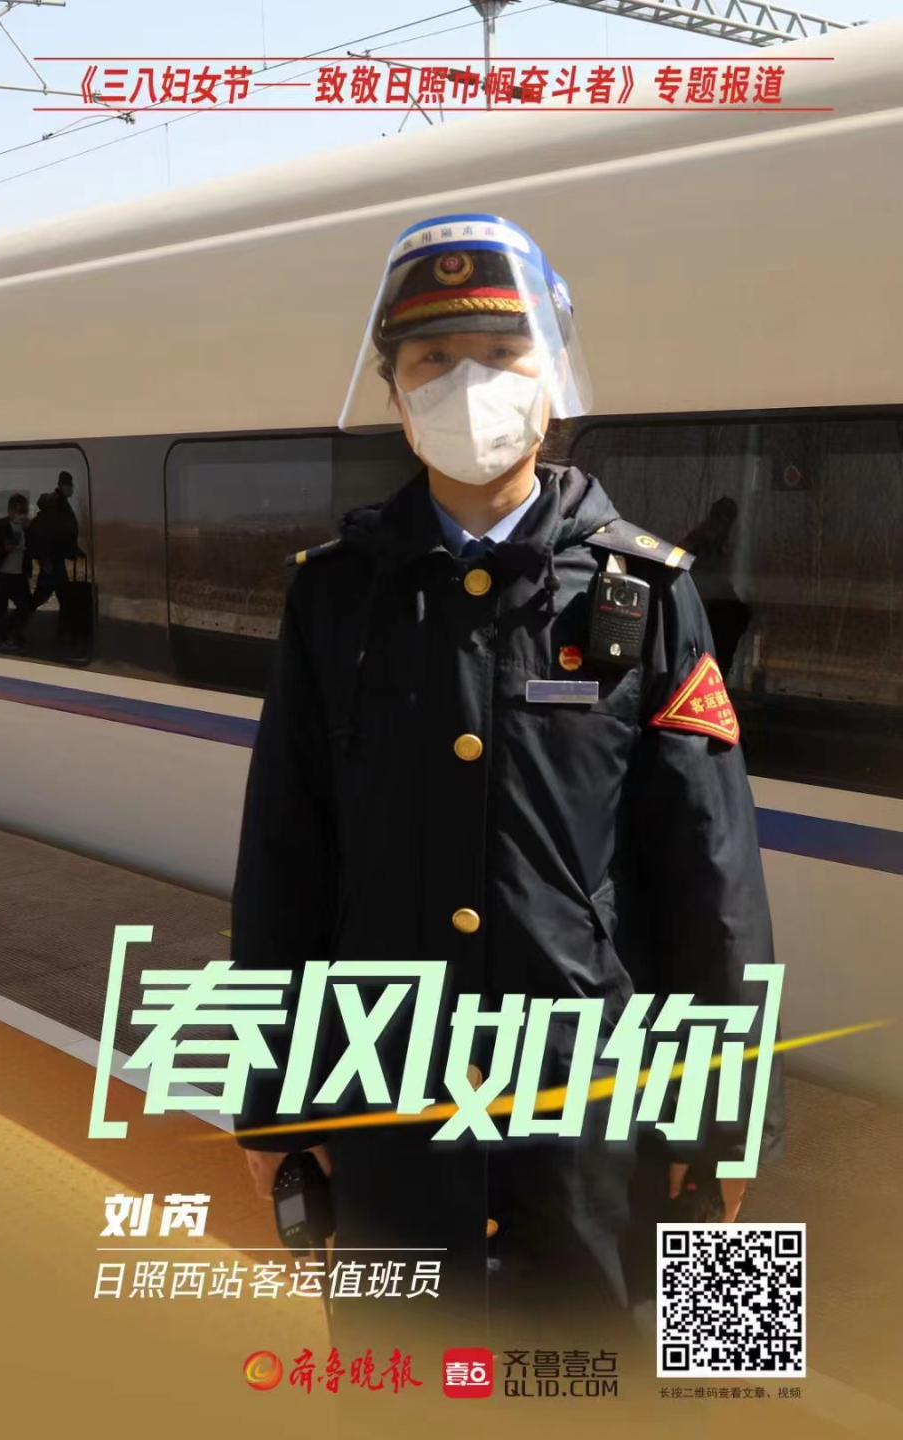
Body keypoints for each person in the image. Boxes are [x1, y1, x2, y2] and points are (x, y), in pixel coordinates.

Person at [230, 215, 784, 1412]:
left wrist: (728, 1122)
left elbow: (713, 876)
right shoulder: (334, 599)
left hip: (599, 1116)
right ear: (392, 391)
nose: (467, 382)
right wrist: (274, 1105)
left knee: (659, 1392)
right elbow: (285, 859)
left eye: (500, 351)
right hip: (389, 1102)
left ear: (553, 378)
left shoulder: (646, 591)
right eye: (432, 359)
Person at [680, 496, 753, 676]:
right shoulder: (698, 541)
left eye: (729, 519)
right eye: (722, 518)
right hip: (698, 609)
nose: (725, 525)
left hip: (716, 611)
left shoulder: (729, 547)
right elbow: (678, 568)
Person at [28, 471, 88, 658]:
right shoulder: (55, 504)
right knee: (44, 598)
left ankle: (65, 634)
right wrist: (44, 559)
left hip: (55, 560)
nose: (71, 488)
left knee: (61, 598)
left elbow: (63, 534)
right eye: (69, 485)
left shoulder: (59, 503)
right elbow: (49, 535)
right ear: (62, 485)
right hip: (51, 562)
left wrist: (74, 550)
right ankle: (14, 624)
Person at [0, 494, 32, 651]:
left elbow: (33, 547)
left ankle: (13, 630)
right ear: (10, 511)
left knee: (26, 606)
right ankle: (4, 638)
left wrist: (30, 529)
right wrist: (3, 549)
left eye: (24, 511)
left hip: (19, 574)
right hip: (2, 573)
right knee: (0, 608)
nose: (21, 515)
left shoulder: (27, 528)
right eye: (18, 511)